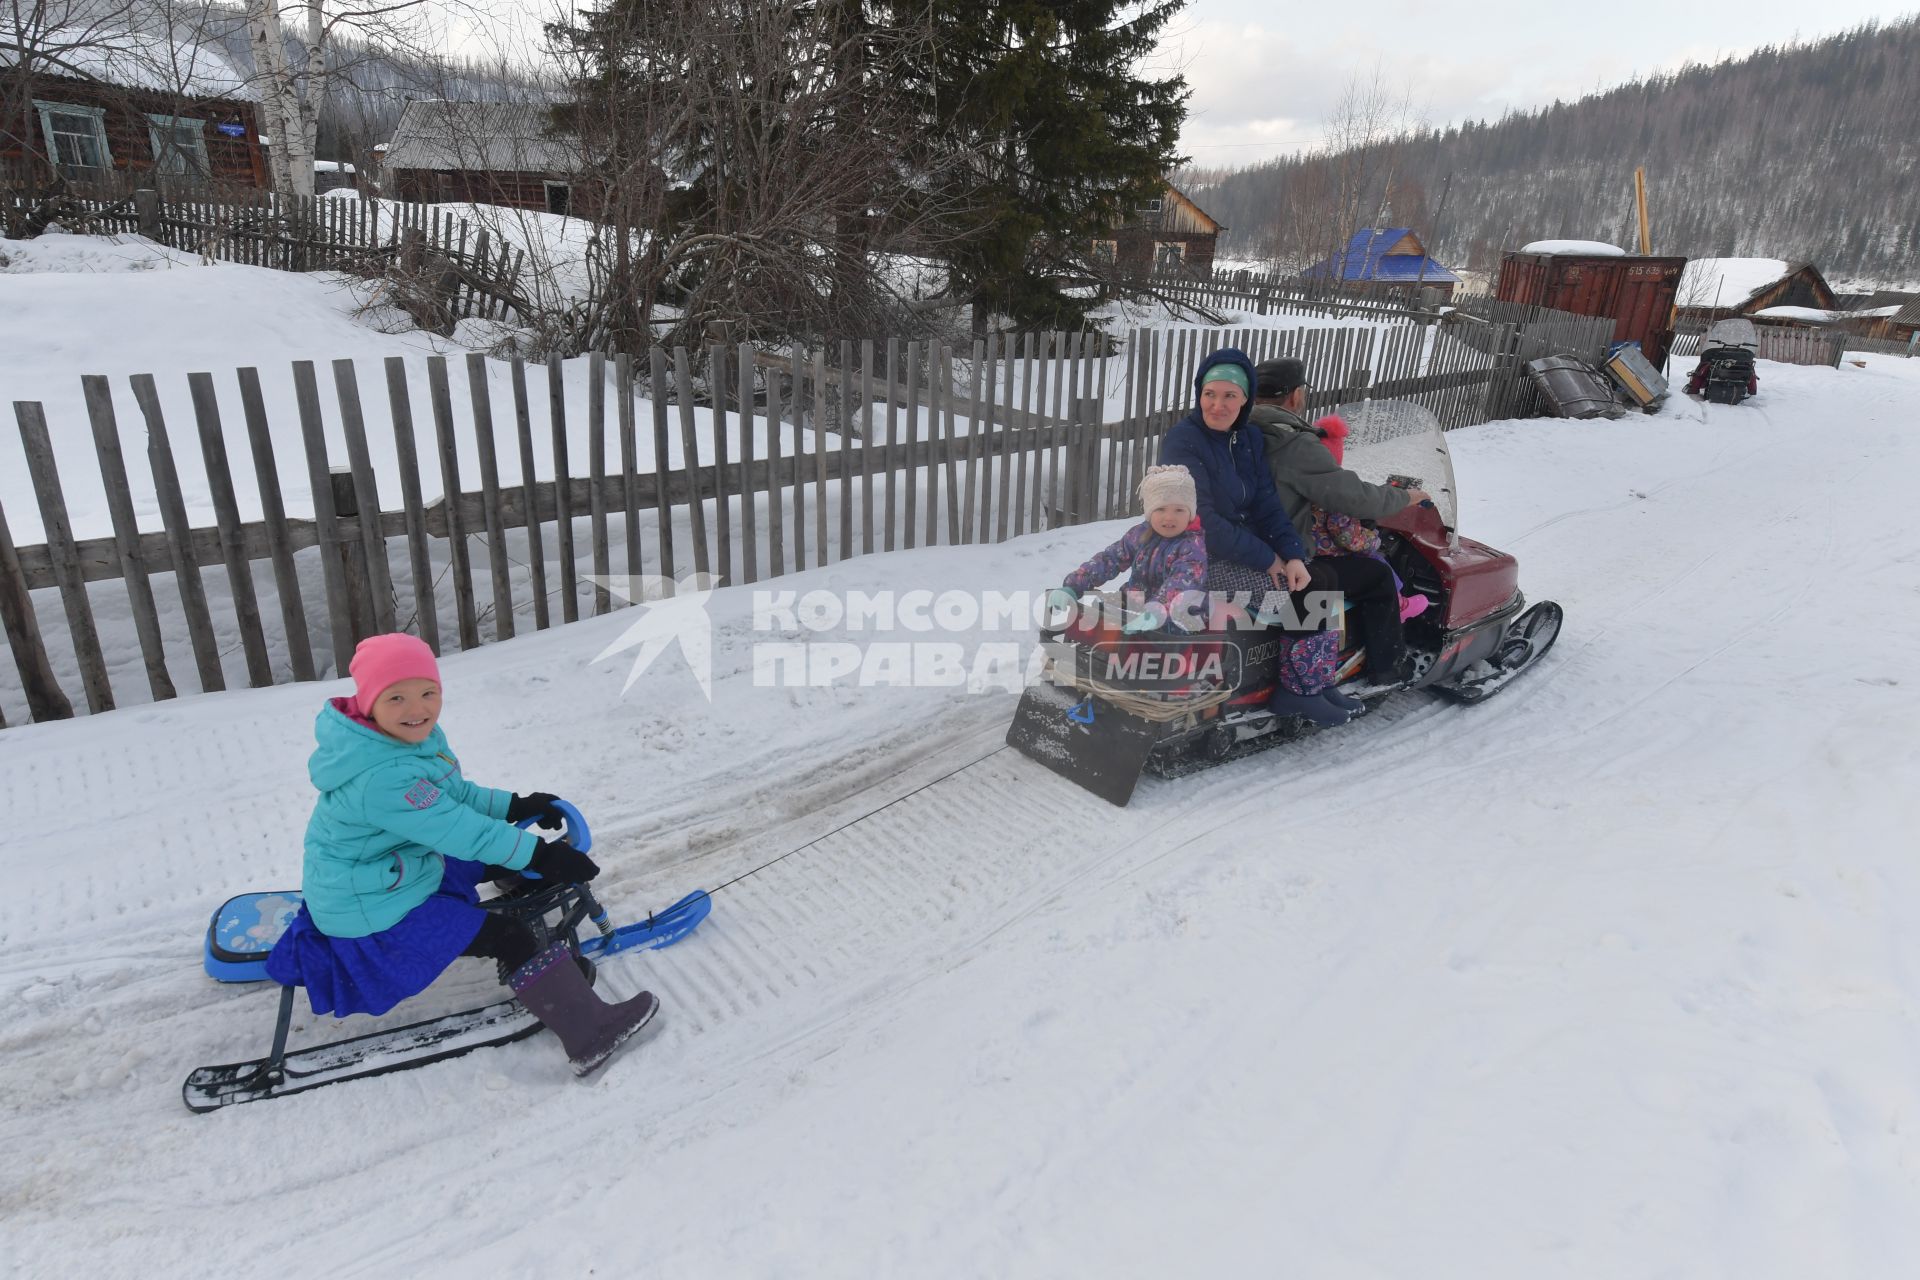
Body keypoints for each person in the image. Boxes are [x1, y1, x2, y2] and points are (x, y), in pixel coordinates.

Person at [265, 633, 658, 1078]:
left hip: (390, 870)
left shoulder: (403, 738)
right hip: (372, 908)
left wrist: (516, 805)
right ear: (370, 701)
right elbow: (459, 829)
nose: (417, 710)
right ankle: (591, 1034)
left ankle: (526, 899)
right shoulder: (383, 776)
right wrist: (541, 855)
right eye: (396, 697)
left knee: (483, 857)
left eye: (428, 693)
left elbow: (454, 796)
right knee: (509, 935)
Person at [1158, 348, 1354, 726]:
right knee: (1304, 595)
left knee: (1318, 577)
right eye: (1210, 394)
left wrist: (1292, 554)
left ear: (1246, 398)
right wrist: (1269, 560)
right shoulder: (1184, 441)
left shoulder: (1247, 437)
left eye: (1230, 395)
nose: (1218, 405)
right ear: (1199, 395)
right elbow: (1205, 523)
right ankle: (1296, 692)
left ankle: (1318, 678)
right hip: (1198, 558)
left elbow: (1266, 503)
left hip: (1238, 551)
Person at [1247, 357, 1418, 696]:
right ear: (1296, 396)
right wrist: (1405, 498)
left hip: (1243, 547)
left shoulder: (1236, 431)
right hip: (1281, 557)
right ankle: (1388, 669)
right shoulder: (1292, 442)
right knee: (1377, 575)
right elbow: (1350, 497)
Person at [1049, 464, 1207, 634]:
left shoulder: (1192, 547)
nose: (1169, 517)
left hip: (1178, 615)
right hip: (1136, 605)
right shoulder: (1141, 534)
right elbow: (1110, 559)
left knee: (1162, 637)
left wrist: (1157, 611)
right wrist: (1075, 585)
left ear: (1190, 513)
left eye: (1179, 510)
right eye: (1161, 508)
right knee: (1098, 617)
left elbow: (1183, 582)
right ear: (1149, 510)